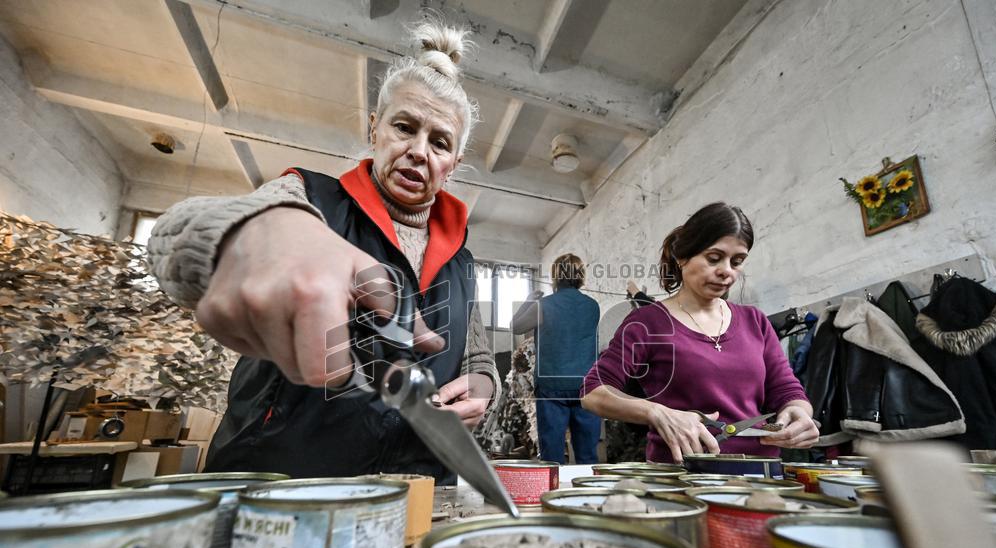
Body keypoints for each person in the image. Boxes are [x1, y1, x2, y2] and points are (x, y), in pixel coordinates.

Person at [147, 21, 499, 481]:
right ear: (375, 129)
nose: (418, 151)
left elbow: (477, 355)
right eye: (404, 127)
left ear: (452, 166)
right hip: (281, 483)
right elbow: (173, 237)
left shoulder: (462, 262)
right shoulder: (306, 198)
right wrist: (257, 231)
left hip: (414, 490)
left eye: (439, 143)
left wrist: (482, 388)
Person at [580, 203, 819, 464]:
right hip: (681, 476)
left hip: (758, 472)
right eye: (713, 258)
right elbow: (593, 392)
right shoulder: (647, 323)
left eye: (737, 261)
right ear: (683, 257)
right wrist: (657, 413)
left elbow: (787, 391)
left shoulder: (755, 321)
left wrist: (798, 412)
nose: (727, 271)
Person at [511, 254, 601, 464]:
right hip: (586, 387)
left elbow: (515, 326)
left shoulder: (544, 305)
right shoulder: (592, 306)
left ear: (555, 277)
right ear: (581, 276)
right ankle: (588, 494)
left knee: (552, 456)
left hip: (552, 386)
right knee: (587, 456)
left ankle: (554, 495)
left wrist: (528, 302)